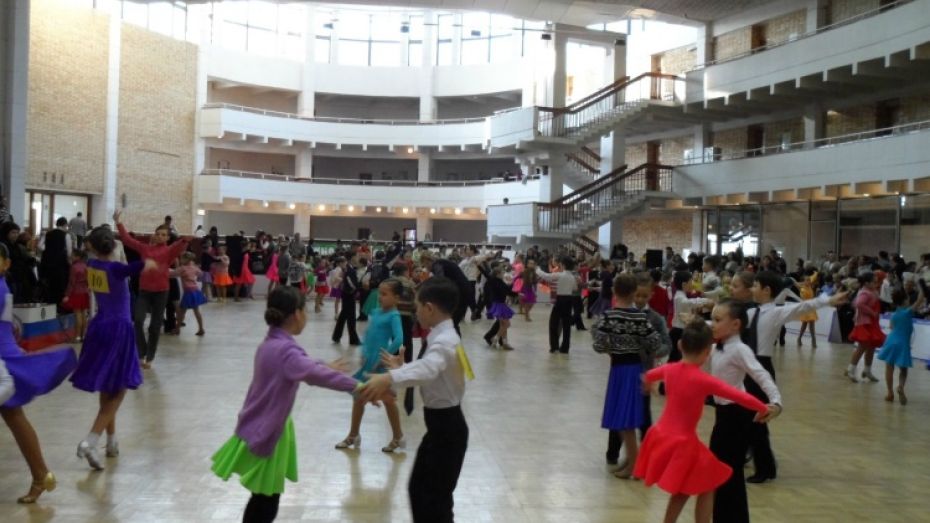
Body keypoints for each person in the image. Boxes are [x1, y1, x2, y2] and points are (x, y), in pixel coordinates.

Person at [211, 286, 381, 523]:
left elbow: (303, 365)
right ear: (297, 314)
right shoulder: (286, 351)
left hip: (261, 422)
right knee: (266, 497)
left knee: (263, 495)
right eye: (306, 310)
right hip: (268, 428)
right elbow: (313, 373)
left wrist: (322, 365)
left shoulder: (271, 342)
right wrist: (359, 387)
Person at [634, 320, 776, 523]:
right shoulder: (703, 380)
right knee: (703, 484)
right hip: (683, 442)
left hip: (661, 434)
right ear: (708, 352)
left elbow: (649, 374)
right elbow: (738, 395)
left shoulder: (670, 369)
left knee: (693, 486)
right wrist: (763, 407)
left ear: (680, 345)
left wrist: (647, 384)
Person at [362, 277, 469, 523]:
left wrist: (389, 377)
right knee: (420, 492)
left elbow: (429, 369)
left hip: (447, 430)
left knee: (434, 501)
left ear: (429, 308)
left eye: (417, 306)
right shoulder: (443, 336)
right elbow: (432, 370)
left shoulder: (445, 342)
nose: (415, 312)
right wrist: (402, 368)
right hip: (440, 428)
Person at [744, 271, 846, 483]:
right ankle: (759, 462)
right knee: (749, 418)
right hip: (748, 366)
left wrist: (828, 300)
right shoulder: (753, 312)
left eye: (755, 285)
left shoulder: (776, 313)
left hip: (761, 367)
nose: (751, 289)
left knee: (757, 419)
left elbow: (803, 307)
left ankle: (765, 468)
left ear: (766, 290)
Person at [71, 226, 153, 470]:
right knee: (120, 389)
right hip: (119, 328)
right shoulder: (116, 269)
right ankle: (90, 441)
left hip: (99, 326)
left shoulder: (93, 265)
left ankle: (112, 442)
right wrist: (150, 261)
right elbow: (139, 265)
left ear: (93, 247)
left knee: (109, 386)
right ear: (113, 246)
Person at [0, 243, 77, 502]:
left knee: (15, 417)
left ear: (7, 264)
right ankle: (41, 475)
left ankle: (41, 475)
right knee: (15, 417)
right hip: (6, 357)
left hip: (3, 362)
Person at [709, 300, 783, 523]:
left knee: (728, 472)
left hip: (735, 417)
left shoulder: (740, 349)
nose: (712, 324)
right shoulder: (716, 346)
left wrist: (776, 402)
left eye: (717, 320)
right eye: (712, 319)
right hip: (723, 415)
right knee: (721, 471)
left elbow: (761, 374)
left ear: (736, 325)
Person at [594, 273, 661, 479]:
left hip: (619, 369)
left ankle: (635, 465)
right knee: (624, 419)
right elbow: (655, 343)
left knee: (624, 421)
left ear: (614, 291)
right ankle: (633, 461)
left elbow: (598, 345)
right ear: (633, 293)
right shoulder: (640, 317)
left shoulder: (608, 316)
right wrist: (638, 344)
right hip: (635, 368)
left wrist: (612, 348)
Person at [336, 279, 405, 453]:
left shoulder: (394, 316)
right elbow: (369, 334)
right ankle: (354, 434)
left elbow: (399, 339)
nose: (380, 297)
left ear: (396, 298)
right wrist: (364, 352)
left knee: (388, 400)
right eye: (379, 293)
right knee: (359, 397)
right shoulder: (376, 312)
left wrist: (385, 357)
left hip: (380, 365)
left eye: (384, 294)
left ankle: (397, 437)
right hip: (369, 362)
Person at [114, 210, 189, 369]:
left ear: (167, 238)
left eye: (163, 235)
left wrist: (184, 240)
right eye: (158, 234)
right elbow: (127, 240)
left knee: (155, 327)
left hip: (161, 292)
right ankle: (141, 353)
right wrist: (118, 222)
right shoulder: (145, 249)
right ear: (154, 235)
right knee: (138, 321)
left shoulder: (168, 251)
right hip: (144, 291)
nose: (160, 236)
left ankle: (150, 355)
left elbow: (179, 247)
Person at [877, 286, 925, 405]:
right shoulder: (908, 312)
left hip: (891, 341)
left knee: (889, 367)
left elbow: (891, 327)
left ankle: (889, 393)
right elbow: (920, 300)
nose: (909, 300)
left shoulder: (894, 315)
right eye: (907, 299)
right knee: (903, 369)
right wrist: (921, 287)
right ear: (904, 301)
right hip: (903, 343)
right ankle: (900, 387)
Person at [846, 272, 885, 383]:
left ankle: (867, 370)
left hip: (872, 323)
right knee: (862, 347)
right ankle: (851, 370)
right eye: (874, 282)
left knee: (872, 346)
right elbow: (858, 304)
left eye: (877, 282)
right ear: (867, 283)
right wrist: (872, 312)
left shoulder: (872, 291)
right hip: (864, 323)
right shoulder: (865, 292)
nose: (876, 284)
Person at [537, 256, 580, 354]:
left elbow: (546, 276)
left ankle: (554, 347)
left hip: (560, 299)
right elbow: (575, 288)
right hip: (569, 300)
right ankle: (565, 348)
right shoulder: (572, 277)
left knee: (553, 323)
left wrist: (538, 270)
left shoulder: (559, 275)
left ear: (563, 265)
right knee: (566, 325)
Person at [39, 216, 72, 306]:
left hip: (48, 264)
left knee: (50, 286)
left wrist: (48, 250)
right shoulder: (66, 235)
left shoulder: (48, 234)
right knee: (60, 286)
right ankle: (59, 306)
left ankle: (50, 305)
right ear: (65, 225)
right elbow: (69, 252)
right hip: (61, 264)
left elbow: (40, 246)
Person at [331, 254, 361, 346]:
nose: (357, 259)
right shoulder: (349, 271)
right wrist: (356, 290)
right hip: (349, 295)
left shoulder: (347, 270)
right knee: (351, 317)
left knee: (343, 316)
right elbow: (352, 284)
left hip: (346, 294)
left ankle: (336, 336)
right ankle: (353, 339)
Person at [175, 252, 207, 336]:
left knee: (182, 312)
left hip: (188, 292)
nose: (180, 260)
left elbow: (173, 274)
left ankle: (177, 329)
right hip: (195, 290)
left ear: (186, 259)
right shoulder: (194, 267)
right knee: (196, 311)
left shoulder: (182, 268)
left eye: (182, 258)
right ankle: (201, 328)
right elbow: (201, 274)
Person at [63, 249, 91, 342]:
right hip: (85, 292)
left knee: (77, 314)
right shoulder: (85, 266)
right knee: (84, 314)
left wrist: (67, 295)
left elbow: (71, 283)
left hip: (76, 292)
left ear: (77, 257)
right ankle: (84, 335)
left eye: (72, 255)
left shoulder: (73, 267)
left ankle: (77, 336)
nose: (71, 256)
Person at [796, 273, 818, 347]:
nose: (809, 281)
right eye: (807, 280)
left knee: (812, 324)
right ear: (804, 281)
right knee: (804, 325)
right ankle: (799, 338)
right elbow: (803, 298)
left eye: (809, 280)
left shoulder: (810, 286)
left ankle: (813, 340)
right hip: (806, 308)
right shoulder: (803, 289)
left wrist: (816, 273)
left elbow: (813, 277)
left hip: (811, 308)